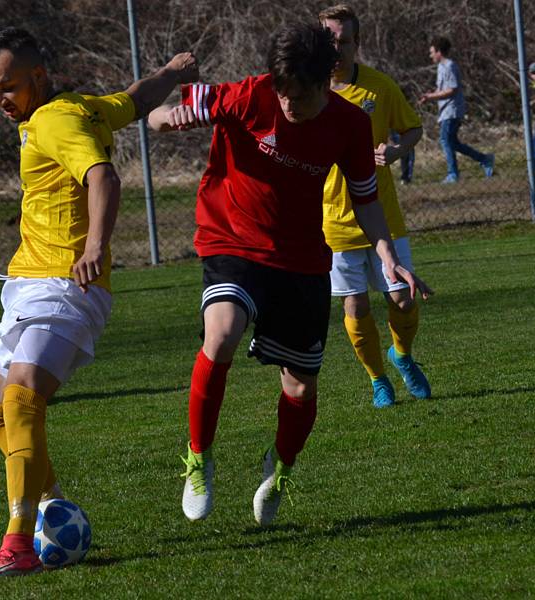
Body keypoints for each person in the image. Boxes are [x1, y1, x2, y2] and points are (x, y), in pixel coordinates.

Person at [148, 23, 431, 526]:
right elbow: (157, 115)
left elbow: (366, 197)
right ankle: (198, 457)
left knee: (300, 387)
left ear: (326, 83)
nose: (286, 105)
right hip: (232, 238)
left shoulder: (348, 124)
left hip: (301, 258)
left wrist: (387, 256)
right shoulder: (246, 95)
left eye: (298, 96)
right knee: (223, 332)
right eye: (280, 93)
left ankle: (279, 468)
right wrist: (167, 117)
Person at [0, 27, 198, 582]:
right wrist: (172, 73)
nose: (0, 100)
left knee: (22, 399)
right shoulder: (79, 108)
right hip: (28, 283)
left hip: (67, 284)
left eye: (9, 87)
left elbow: (103, 176)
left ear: (39, 78)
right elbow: (135, 101)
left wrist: (95, 244)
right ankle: (52, 506)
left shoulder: (57, 120)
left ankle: (18, 543)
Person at [319, 5, 430, 408]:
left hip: (383, 214)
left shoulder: (379, 87)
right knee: (356, 303)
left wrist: (398, 149)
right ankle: (378, 379)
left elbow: (413, 127)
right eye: (329, 40)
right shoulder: (309, 91)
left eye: (343, 41)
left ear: (356, 43)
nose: (336, 49)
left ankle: (401, 354)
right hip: (334, 220)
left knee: (403, 297)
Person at [419, 36, 494, 183]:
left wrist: (431, 97)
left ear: (439, 52)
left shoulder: (450, 66)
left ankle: (453, 173)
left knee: (445, 140)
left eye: (432, 52)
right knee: (453, 143)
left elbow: (452, 89)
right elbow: (442, 88)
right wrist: (430, 95)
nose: (431, 55)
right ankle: (485, 159)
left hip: (452, 111)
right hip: (445, 111)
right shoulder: (441, 68)